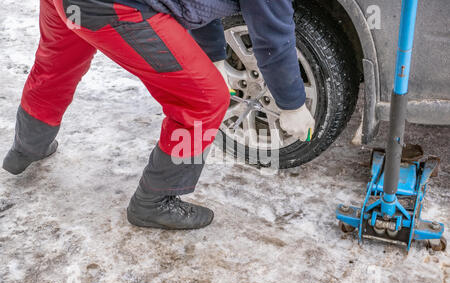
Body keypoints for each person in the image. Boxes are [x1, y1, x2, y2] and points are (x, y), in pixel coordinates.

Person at [2, 0, 314, 230]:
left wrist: (215, 56)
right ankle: (155, 202)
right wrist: (292, 105)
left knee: (55, 65)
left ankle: (27, 147)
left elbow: (196, 8)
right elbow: (273, 39)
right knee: (203, 101)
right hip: (109, 7)